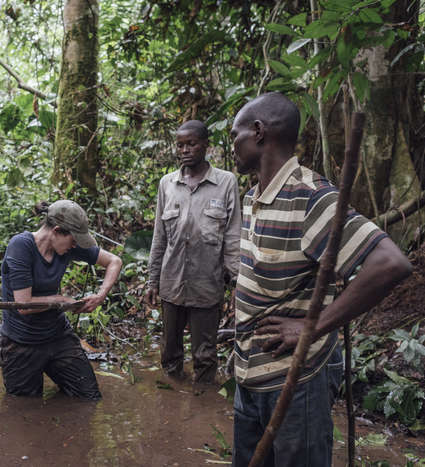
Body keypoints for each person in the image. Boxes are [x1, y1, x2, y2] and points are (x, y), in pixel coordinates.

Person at [230, 92, 412, 467]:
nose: (232, 145)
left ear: (259, 133)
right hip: (249, 375)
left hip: (297, 381)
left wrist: (311, 326)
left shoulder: (311, 198)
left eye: (236, 135)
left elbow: (390, 263)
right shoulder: (252, 199)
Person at [145, 120, 240, 384]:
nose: (184, 150)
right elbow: (159, 237)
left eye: (191, 143)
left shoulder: (226, 182)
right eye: (180, 145)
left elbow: (232, 238)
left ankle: (203, 406)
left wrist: (237, 284)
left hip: (207, 284)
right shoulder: (167, 184)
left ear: (206, 145)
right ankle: (171, 405)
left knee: (205, 355)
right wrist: (153, 281)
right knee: (170, 352)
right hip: (171, 282)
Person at [0, 200, 123, 399]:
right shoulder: (21, 245)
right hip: (21, 342)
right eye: (73, 240)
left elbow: (114, 261)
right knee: (23, 409)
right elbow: (23, 305)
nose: (75, 246)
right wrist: (59, 300)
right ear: (56, 231)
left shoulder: (68, 246)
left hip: (57, 336)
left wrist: (100, 296)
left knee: (89, 398)